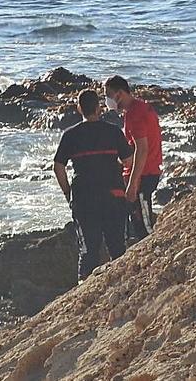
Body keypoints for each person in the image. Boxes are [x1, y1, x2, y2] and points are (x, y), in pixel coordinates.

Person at [53, 88, 130, 281]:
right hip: (112, 195)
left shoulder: (71, 135)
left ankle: (84, 290)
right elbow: (129, 161)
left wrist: (68, 193)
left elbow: (58, 167)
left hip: (84, 197)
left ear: (79, 109)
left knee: (88, 250)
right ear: (99, 108)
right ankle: (121, 286)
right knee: (117, 247)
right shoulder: (113, 132)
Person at [104, 75, 163, 241]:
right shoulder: (142, 107)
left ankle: (153, 256)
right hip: (146, 171)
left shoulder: (134, 114)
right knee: (136, 222)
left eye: (109, 95)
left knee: (144, 225)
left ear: (120, 93)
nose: (107, 100)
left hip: (144, 174)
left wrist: (132, 184)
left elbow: (142, 149)